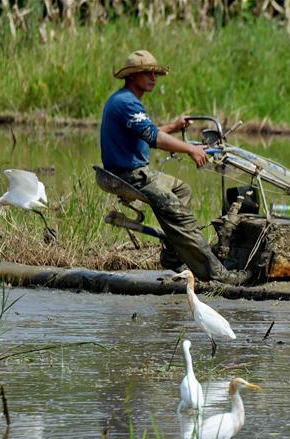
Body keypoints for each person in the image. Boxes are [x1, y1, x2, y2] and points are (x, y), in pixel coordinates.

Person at [100, 50, 248, 285]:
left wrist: (174, 126)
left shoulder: (126, 100)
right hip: (132, 175)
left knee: (181, 190)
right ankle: (219, 275)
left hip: (136, 172)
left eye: (155, 73)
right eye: (147, 73)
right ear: (133, 76)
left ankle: (171, 257)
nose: (153, 78)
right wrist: (190, 149)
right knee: (182, 218)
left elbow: (146, 133)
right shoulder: (126, 103)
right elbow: (153, 138)